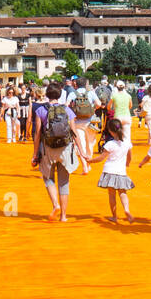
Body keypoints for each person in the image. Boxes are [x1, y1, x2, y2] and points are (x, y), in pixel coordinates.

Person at [33, 83, 75, 221]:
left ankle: (55, 204)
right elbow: (74, 133)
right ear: (60, 95)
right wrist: (82, 151)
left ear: (46, 95)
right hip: (65, 148)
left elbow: (38, 134)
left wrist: (35, 153)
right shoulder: (67, 110)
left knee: (48, 178)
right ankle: (63, 216)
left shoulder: (40, 111)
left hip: (48, 148)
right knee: (64, 181)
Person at [97, 117, 135, 222]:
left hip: (109, 171)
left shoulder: (109, 144)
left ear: (110, 131)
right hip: (121, 172)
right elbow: (130, 156)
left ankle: (114, 216)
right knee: (123, 193)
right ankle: (126, 210)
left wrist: (89, 161)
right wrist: (127, 163)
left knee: (112, 195)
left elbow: (101, 158)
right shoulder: (127, 142)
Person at [68, 76, 98, 175]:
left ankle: (84, 166)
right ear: (85, 84)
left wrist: (72, 114)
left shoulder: (73, 93)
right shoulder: (90, 93)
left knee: (80, 144)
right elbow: (99, 103)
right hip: (89, 121)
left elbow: (66, 105)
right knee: (90, 144)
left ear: (76, 84)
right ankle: (88, 163)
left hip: (77, 122)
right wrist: (93, 109)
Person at [109, 79, 134, 144]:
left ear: (117, 87)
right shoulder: (128, 96)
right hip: (127, 116)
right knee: (127, 136)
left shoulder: (114, 95)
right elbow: (130, 106)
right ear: (124, 87)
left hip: (118, 117)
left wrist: (112, 109)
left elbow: (109, 106)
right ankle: (127, 151)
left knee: (117, 135)